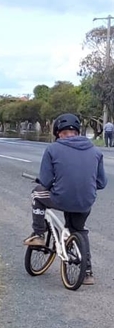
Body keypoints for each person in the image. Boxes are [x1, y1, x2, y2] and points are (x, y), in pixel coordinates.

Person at [24, 113, 107, 285]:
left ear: (58, 132)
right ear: (77, 131)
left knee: (37, 194)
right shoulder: (96, 151)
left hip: (61, 198)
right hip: (86, 201)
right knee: (79, 229)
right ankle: (87, 273)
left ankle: (38, 233)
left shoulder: (52, 149)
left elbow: (46, 182)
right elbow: (101, 183)